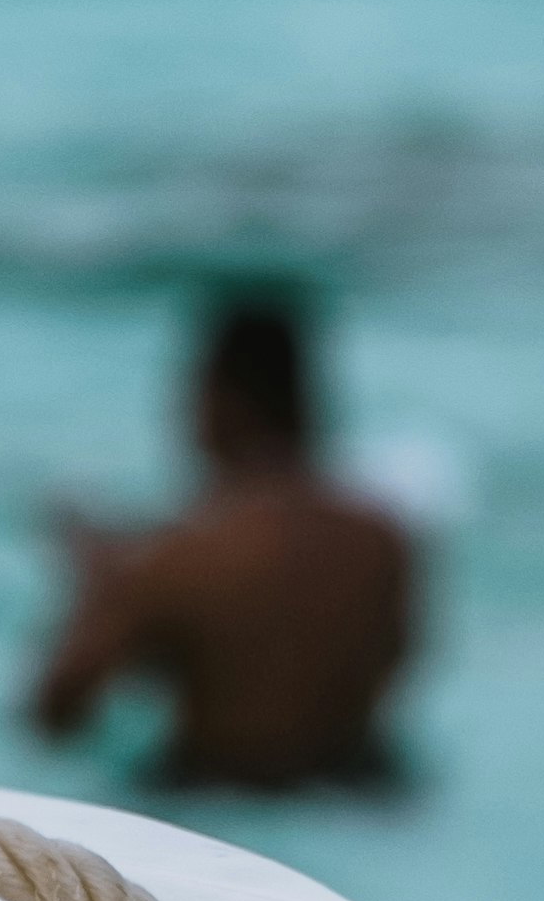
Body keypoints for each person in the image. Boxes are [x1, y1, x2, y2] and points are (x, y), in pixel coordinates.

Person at [24, 285, 419, 792]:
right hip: (361, 792)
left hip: (213, 801)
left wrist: (100, 588)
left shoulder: (176, 559)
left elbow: (56, 716)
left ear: (215, 400)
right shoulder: (384, 543)